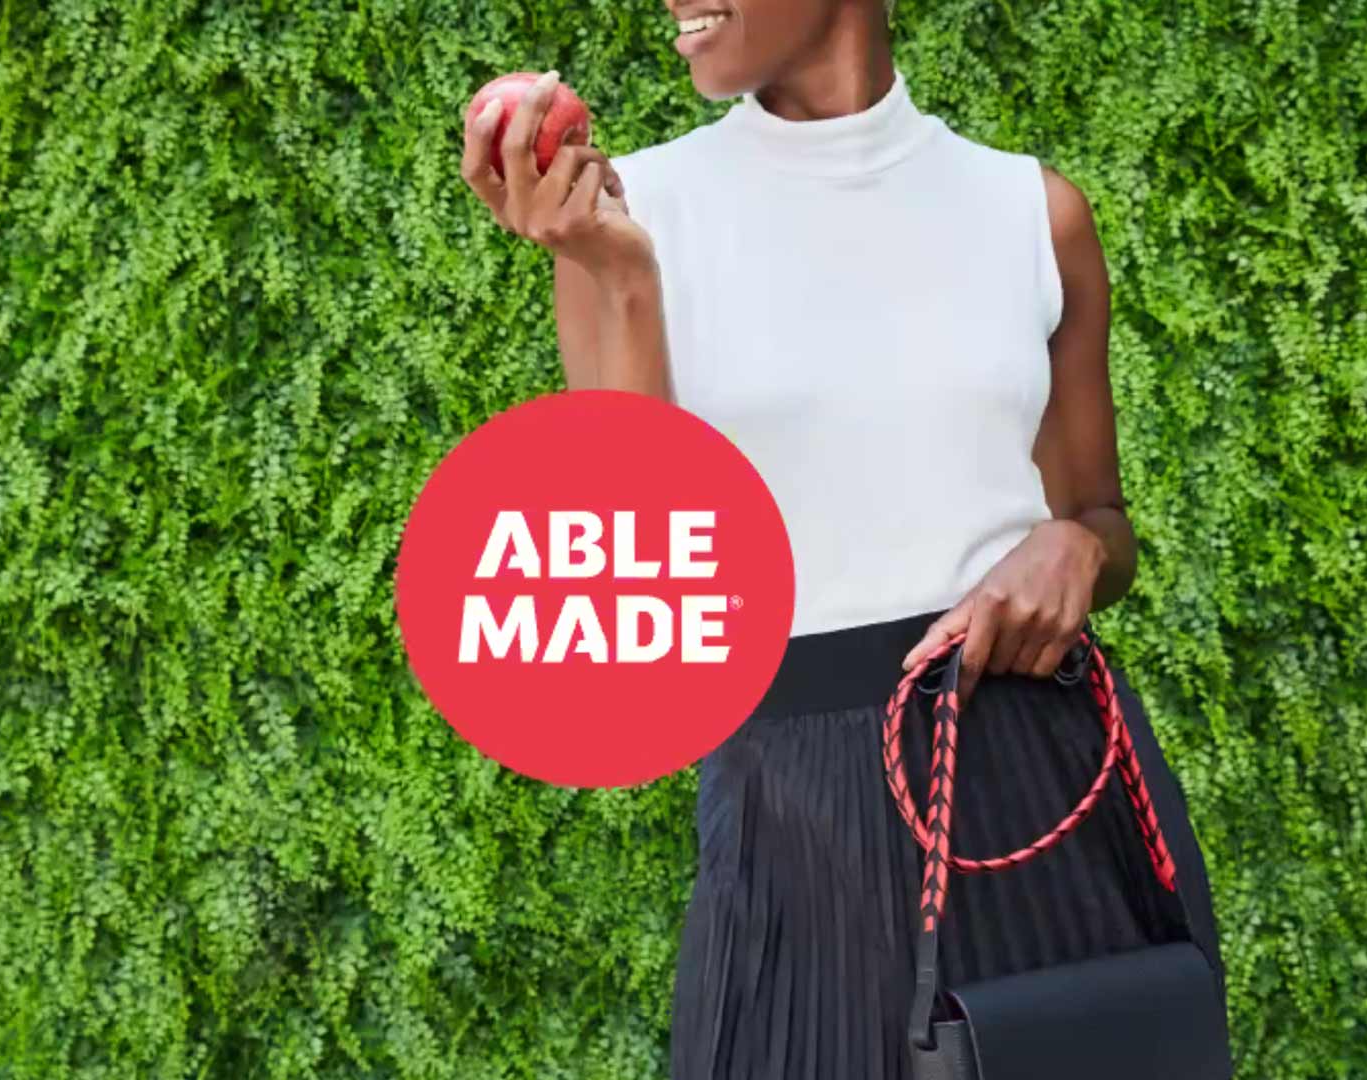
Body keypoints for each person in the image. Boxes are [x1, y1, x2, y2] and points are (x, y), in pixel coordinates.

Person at [458, 1, 1232, 1076]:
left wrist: (1081, 551)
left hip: (1036, 780)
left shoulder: (1032, 212)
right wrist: (624, 282)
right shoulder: (632, 218)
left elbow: (1101, 520)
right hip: (790, 811)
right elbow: (647, 614)